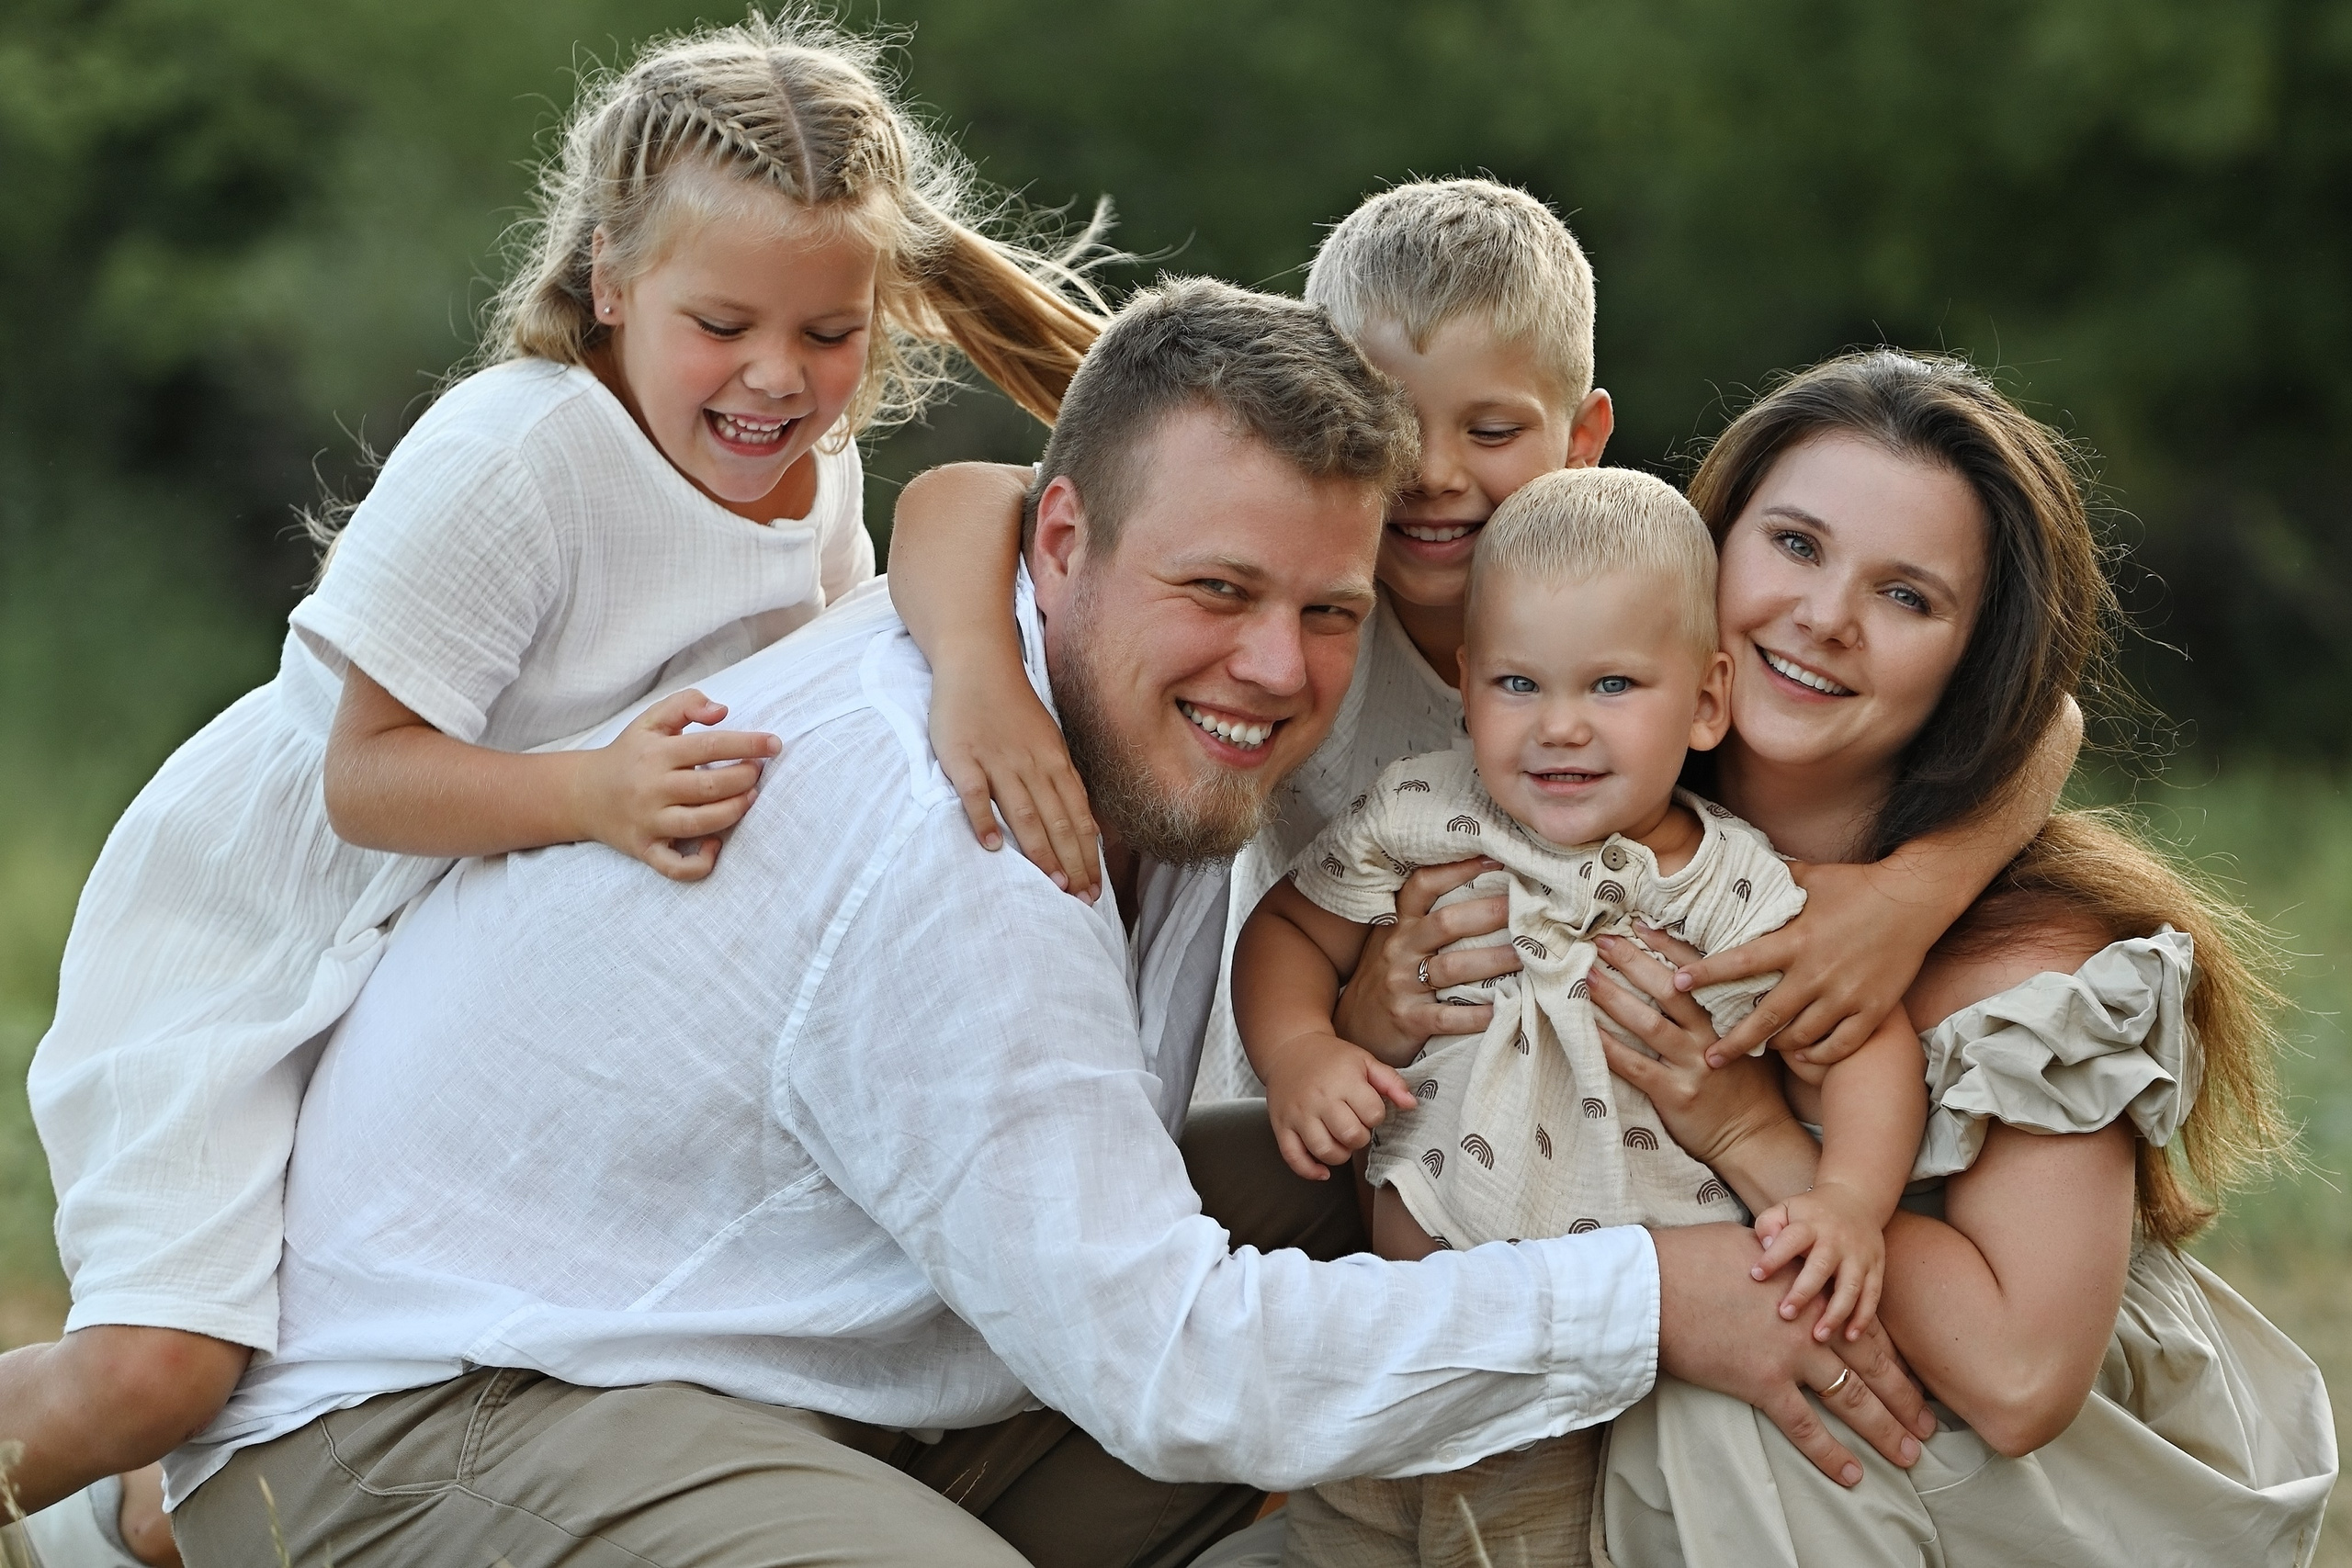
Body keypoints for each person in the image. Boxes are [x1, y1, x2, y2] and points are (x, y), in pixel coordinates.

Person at [163, 280, 1932, 1568]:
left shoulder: (1107, 685)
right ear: (1065, 537)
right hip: (454, 1411)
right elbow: (1172, 1363)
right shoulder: (954, 838)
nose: (1276, 669)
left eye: (1327, 610)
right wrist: (1652, 1295)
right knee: (1332, 1334)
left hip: (810, 1350)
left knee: (1368, 1193)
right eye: (1218, 593)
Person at [0, 14, 1112, 1564]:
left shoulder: (817, 477)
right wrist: (593, 794)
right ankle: (80, 1484)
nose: (779, 381)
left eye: (831, 333)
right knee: (161, 1364)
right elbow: (362, 779)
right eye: (724, 323)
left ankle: (122, 1530)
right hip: (269, 926)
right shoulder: (521, 453)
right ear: (610, 280)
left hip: (459, 966)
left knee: (339, 1345)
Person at [1319, 350, 2333, 1567]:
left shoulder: (2031, 964)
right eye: (1795, 545)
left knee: (1738, 1404)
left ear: (1976, 656)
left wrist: (1751, 1135)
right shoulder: (1570, 779)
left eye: (1909, 597)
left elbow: (2018, 1380)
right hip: (1591, 1434)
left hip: (1994, 1477)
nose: (1826, 615)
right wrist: (1370, 1009)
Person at [887, 179, 2075, 1111]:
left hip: (1603, 1102)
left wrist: (1912, 898)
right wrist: (981, 670)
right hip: (1337, 1096)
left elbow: (2047, 719)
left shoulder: (1627, 584)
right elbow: (963, 496)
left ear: (1581, 436)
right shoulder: (1296, 619)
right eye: (1394, 424)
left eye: (1492, 429)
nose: (1437, 471)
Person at [1233, 468, 1926, 1567]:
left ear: (1704, 701)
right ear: (1464, 685)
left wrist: (1846, 1200)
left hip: (1568, 1391)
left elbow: (1869, 1042)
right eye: (1517, 683)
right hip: (1393, 1349)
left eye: (1610, 686)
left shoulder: (1723, 889)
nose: (1559, 728)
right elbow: (1287, 931)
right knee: (1338, 1544)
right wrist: (1301, 1050)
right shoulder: (1425, 809)